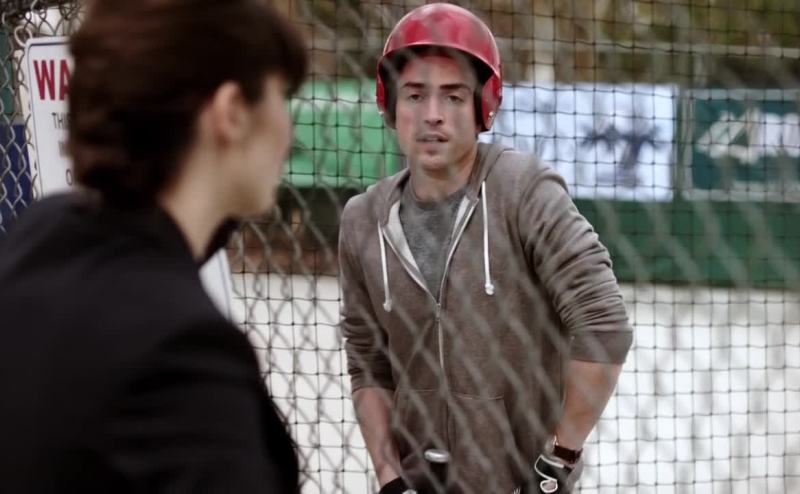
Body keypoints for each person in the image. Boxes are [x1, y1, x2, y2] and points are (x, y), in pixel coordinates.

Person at [0, 0, 307, 492]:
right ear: (231, 113)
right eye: (280, 95)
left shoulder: (38, 239)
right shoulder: (184, 354)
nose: (288, 133)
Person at [339, 3, 633, 493]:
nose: (432, 114)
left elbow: (603, 324)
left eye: (453, 96)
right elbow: (367, 360)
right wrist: (390, 478)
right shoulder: (362, 219)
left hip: (522, 481)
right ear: (390, 104)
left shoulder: (524, 191)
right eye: (415, 94)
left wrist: (559, 459)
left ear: (483, 107)